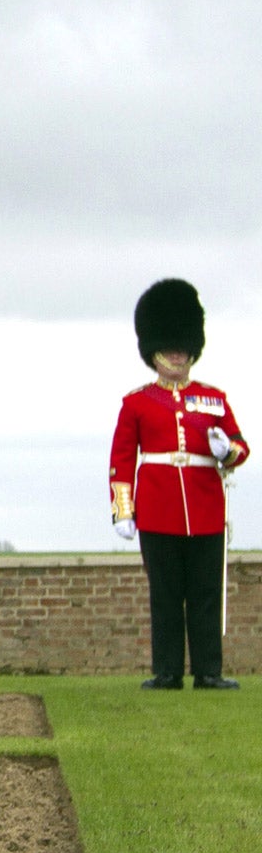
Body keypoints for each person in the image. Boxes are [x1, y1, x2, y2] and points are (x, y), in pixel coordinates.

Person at [110, 278, 248, 691]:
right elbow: (121, 460)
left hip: (206, 510)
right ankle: (167, 671)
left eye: (183, 346)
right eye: (170, 346)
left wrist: (226, 450)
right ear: (154, 351)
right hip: (158, 510)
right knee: (166, 596)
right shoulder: (137, 402)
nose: (177, 353)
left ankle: (208, 671)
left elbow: (240, 447)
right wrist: (124, 509)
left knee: (206, 594)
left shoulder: (214, 399)